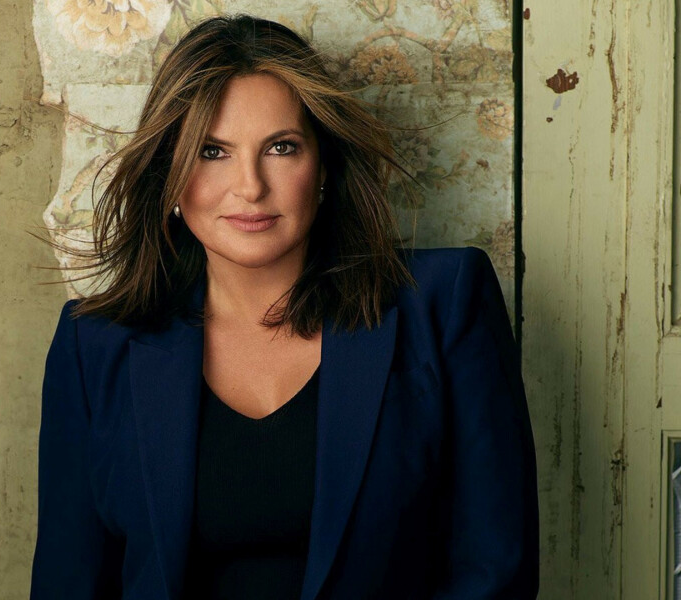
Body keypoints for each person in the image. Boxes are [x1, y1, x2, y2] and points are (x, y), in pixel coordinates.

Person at [29, 14, 539, 600]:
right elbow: (68, 582)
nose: (250, 186)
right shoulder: (94, 346)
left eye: (281, 147)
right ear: (169, 174)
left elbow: (495, 570)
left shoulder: (444, 304)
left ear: (322, 167)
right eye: (212, 151)